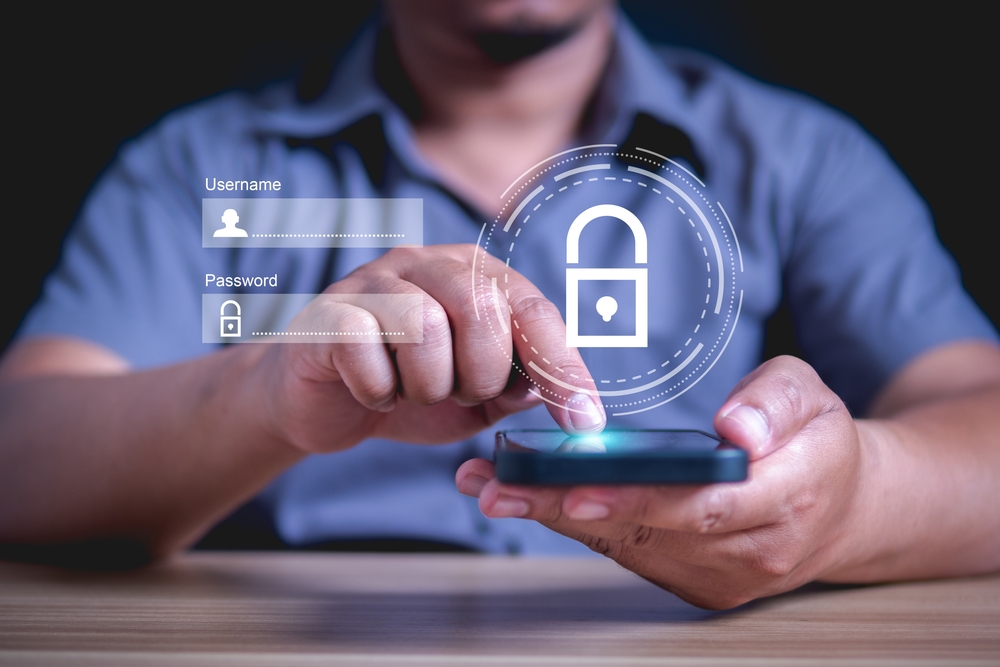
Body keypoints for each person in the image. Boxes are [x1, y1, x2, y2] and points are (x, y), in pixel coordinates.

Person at [1, 0, 998, 610]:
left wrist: (852, 502)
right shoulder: (200, 166)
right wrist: (266, 389)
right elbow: (17, 456)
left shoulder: (798, 158)